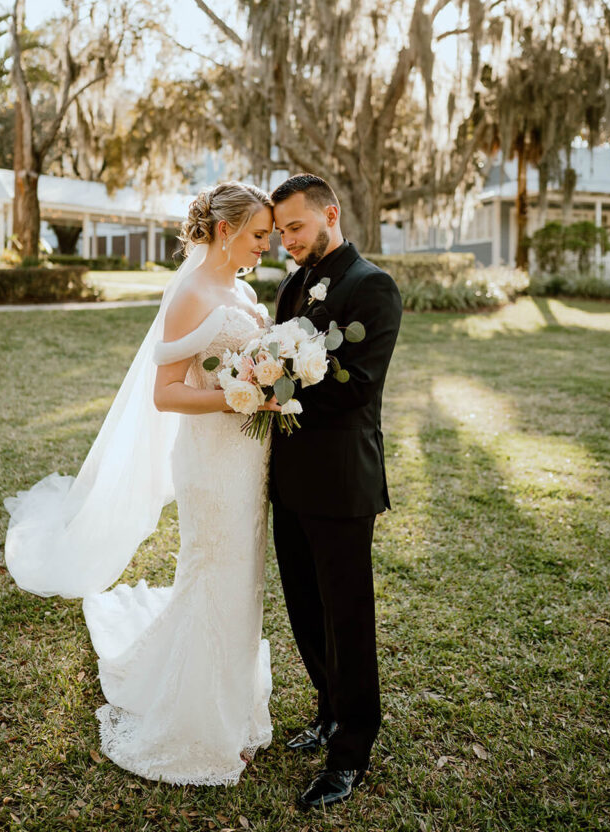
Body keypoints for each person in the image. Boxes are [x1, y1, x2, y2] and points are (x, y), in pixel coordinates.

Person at [4, 181, 279, 785]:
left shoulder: (244, 289)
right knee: (215, 571)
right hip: (210, 458)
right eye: (260, 234)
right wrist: (239, 399)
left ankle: (233, 705)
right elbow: (166, 391)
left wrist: (263, 386)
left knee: (243, 576)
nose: (268, 245)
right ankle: (201, 720)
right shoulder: (189, 292)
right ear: (227, 230)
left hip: (247, 457)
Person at [270, 173, 402, 810]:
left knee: (347, 618)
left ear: (329, 213)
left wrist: (279, 388)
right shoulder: (292, 283)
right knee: (304, 606)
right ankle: (327, 712)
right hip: (290, 476)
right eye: (282, 232)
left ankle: (351, 751)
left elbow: (357, 387)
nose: (287, 241)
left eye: (295, 227)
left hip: (342, 479)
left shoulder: (372, 286)